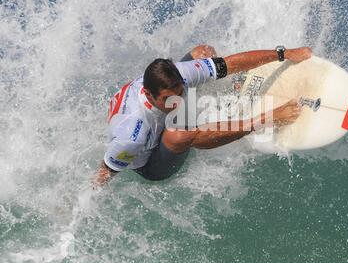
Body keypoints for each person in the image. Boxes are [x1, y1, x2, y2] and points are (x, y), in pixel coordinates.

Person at [94, 45, 312, 186]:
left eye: (180, 93)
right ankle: (264, 119)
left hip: (156, 120)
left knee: (202, 52)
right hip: (152, 164)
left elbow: (229, 64)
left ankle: (232, 91)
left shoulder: (180, 74)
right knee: (177, 136)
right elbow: (105, 172)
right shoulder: (131, 137)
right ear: (149, 94)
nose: (178, 102)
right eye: (169, 99)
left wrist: (282, 54)